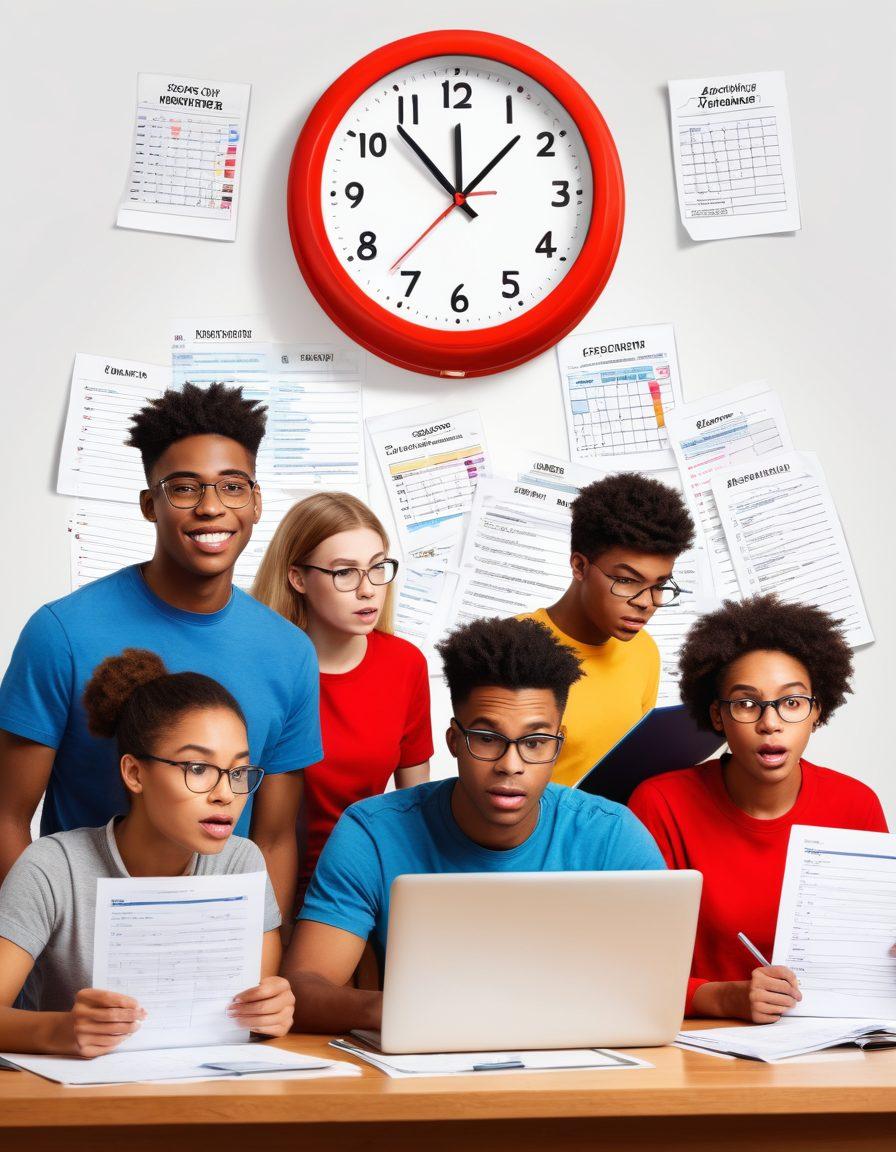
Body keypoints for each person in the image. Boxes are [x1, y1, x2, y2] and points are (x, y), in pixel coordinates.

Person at [0, 384, 322, 923]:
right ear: (150, 504)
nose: (211, 506)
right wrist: (48, 950)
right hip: (81, 951)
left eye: (232, 486)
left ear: (257, 502)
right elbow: (8, 817)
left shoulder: (289, 652)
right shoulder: (61, 633)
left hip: (214, 943)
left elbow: (273, 837)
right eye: (184, 488)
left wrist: (257, 958)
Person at [282, 616, 665, 1034]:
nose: (511, 765)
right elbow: (304, 989)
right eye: (487, 738)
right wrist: (398, 1010)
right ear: (454, 742)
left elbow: (657, 986)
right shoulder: (372, 833)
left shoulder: (611, 835)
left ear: (558, 744)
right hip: (427, 1068)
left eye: (535, 743)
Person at [0, 650, 294, 1056]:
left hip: (210, 1093)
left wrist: (269, 1013)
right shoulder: (53, 867)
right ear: (135, 773)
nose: (226, 794)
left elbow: (251, 1021)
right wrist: (61, 1030)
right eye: (197, 768)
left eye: (239, 771)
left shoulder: (242, 863)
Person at [629, 595, 888, 1023]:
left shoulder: (856, 805)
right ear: (718, 715)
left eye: (792, 702)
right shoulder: (662, 804)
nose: (770, 723)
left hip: (830, 1040)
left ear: (816, 713)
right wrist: (725, 998)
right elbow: (627, 964)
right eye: (747, 703)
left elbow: (869, 947)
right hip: (700, 1047)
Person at [253, 492, 432, 910]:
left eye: (377, 568)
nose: (368, 590)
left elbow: (415, 812)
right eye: (345, 573)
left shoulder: (404, 663)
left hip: (364, 883)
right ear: (298, 579)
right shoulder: (264, 669)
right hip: (266, 882)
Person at [519, 473, 695, 787]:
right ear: (579, 566)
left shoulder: (643, 650)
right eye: (626, 580)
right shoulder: (510, 649)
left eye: (659, 585)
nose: (646, 603)